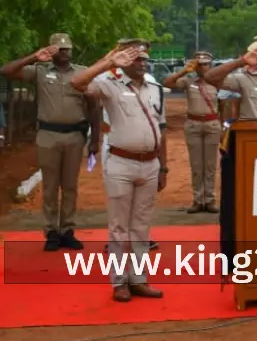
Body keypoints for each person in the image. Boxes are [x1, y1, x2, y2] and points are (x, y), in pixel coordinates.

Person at [72, 40, 167, 302]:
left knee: (141, 226)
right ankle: (119, 282)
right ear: (124, 61)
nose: (142, 63)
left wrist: (163, 166)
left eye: (144, 59)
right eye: (136, 59)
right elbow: (78, 83)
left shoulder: (155, 87)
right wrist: (109, 62)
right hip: (120, 164)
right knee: (118, 227)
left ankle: (138, 280)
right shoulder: (109, 84)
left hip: (150, 164)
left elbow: (161, 127)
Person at [1, 33, 100, 250]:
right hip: (48, 135)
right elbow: (6, 71)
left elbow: (94, 107)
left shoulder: (83, 72)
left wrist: (95, 139)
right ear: (51, 50)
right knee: (50, 186)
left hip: (75, 135)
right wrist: (33, 57)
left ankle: (67, 230)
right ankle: (51, 232)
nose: (64, 53)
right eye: (59, 49)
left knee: (70, 186)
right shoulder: (39, 71)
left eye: (67, 49)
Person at [163, 51, 221, 213]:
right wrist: (184, 71)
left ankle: (209, 200)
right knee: (196, 165)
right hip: (194, 125)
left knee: (210, 165)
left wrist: (222, 126)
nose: (203, 67)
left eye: (205, 64)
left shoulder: (217, 82)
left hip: (212, 124)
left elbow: (224, 106)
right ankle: (197, 199)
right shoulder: (188, 81)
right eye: (199, 64)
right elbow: (167, 83)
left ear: (210, 65)